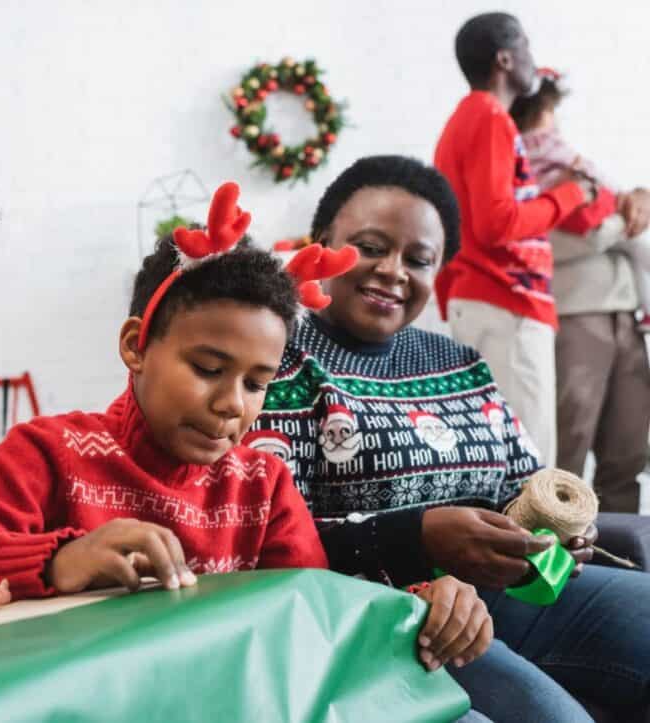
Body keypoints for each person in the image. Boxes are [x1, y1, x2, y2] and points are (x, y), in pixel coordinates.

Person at [0, 184, 493, 687]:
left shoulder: (262, 485)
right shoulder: (50, 454)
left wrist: (425, 607)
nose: (231, 405)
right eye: (207, 369)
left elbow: (312, 615)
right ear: (135, 346)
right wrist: (59, 559)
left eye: (257, 383)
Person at [252, 155, 650, 722]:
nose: (394, 271)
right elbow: (262, 540)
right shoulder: (275, 361)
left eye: (418, 259)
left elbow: (525, 482)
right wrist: (417, 537)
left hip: (511, 597)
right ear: (321, 246)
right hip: (386, 617)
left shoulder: (458, 361)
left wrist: (563, 532)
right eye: (369, 247)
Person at [433, 12, 598, 467]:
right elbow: (496, 224)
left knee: (500, 454)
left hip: (488, 298)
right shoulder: (489, 118)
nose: (533, 60)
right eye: (526, 46)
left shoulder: (467, 119)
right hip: (506, 301)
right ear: (505, 58)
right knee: (530, 459)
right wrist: (571, 194)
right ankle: (539, 542)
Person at [509, 71, 650, 513]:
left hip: (626, 317)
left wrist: (632, 202)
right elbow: (560, 241)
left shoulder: (580, 171)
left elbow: (621, 220)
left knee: (627, 450)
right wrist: (617, 225)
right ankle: (562, 564)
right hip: (574, 319)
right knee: (567, 454)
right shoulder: (522, 177)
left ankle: (626, 565)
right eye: (546, 115)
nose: (552, 129)